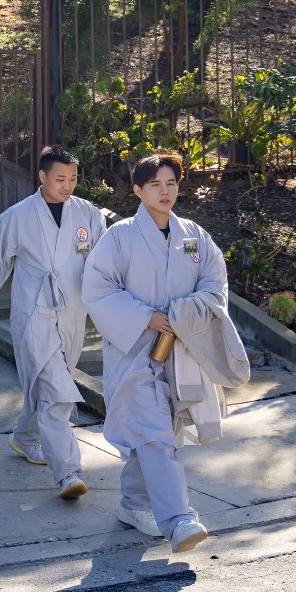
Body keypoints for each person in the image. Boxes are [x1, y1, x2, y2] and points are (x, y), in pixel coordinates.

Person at [82, 153, 250, 554]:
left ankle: (133, 504)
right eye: (155, 184)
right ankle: (179, 520)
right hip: (136, 350)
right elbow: (97, 288)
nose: (165, 191)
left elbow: (215, 283)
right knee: (155, 432)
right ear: (138, 190)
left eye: (171, 183)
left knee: (157, 433)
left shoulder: (193, 235)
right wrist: (148, 317)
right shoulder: (120, 237)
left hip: (182, 351)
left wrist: (184, 314)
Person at [0, 146, 106, 500]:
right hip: (34, 315)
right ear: (42, 176)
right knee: (57, 392)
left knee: (46, 386)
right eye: (60, 178)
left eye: (73, 178)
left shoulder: (89, 215)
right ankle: (67, 473)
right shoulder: (15, 218)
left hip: (74, 313)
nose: (68, 185)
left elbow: (103, 267)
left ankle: (24, 436)